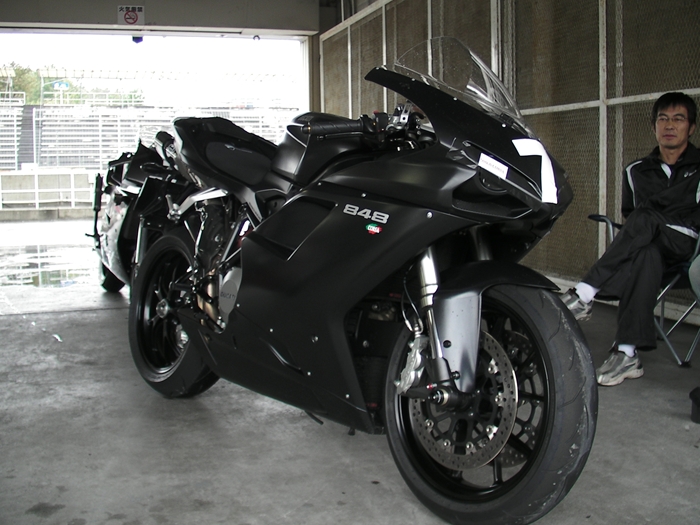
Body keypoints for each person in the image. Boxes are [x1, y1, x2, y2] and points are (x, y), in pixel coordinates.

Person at [561, 92, 700, 386]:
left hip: (690, 245)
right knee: (647, 253)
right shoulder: (635, 171)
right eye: (663, 119)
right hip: (652, 253)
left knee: (646, 217)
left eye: (678, 119)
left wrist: (655, 213)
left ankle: (585, 292)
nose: (669, 125)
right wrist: (660, 213)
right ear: (654, 127)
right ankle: (626, 354)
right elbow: (631, 219)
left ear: (691, 128)